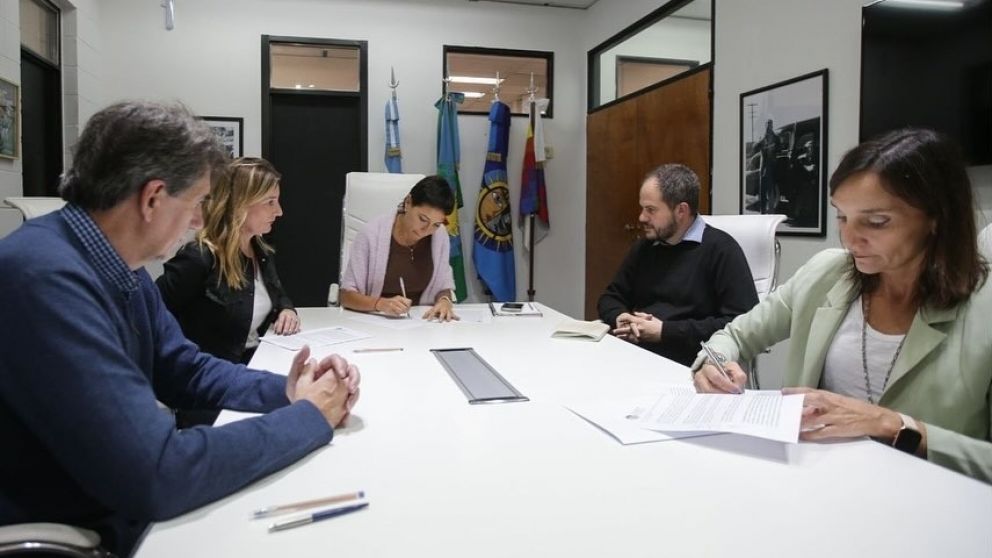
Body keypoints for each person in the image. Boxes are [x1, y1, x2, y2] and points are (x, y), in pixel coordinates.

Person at [0, 100, 361, 556]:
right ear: (152, 198)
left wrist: (289, 390)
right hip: (90, 529)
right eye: (196, 203)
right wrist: (309, 417)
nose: (199, 220)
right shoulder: (42, 278)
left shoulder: (119, 265)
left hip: (119, 507)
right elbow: (158, 473)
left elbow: (183, 367)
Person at [693, 128, 992, 483]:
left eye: (876, 222)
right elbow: (735, 336)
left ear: (936, 218)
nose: (849, 239)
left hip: (927, 499)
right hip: (812, 482)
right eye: (841, 217)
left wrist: (894, 426)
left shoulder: (982, 309)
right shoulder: (826, 273)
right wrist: (713, 364)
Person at [597, 164, 759, 366]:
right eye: (643, 208)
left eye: (651, 210)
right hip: (637, 355)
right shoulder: (646, 247)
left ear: (681, 210)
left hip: (693, 364)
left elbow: (742, 324)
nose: (642, 217)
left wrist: (665, 332)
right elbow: (611, 297)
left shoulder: (722, 250)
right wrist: (622, 318)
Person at [157, 157, 298, 366]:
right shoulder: (199, 257)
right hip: (208, 373)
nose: (279, 211)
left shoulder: (260, 251)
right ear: (241, 203)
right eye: (270, 202)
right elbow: (153, 314)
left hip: (253, 361)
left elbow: (276, 293)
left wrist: (286, 308)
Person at [340, 175, 459, 321]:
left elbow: (443, 285)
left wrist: (444, 301)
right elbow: (346, 296)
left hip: (423, 323)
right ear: (408, 202)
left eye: (436, 224)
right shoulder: (371, 234)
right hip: (377, 321)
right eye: (423, 219)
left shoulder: (439, 236)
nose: (426, 230)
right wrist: (380, 304)